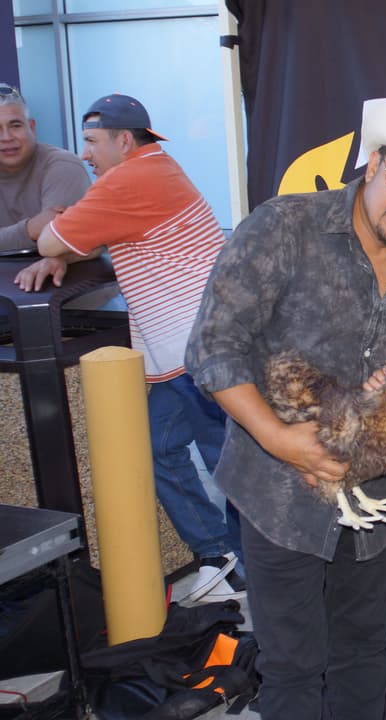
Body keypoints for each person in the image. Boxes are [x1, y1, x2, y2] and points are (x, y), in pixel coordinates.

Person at [185, 99, 386, 719]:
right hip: (277, 494)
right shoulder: (283, 227)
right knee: (292, 669)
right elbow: (212, 348)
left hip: (377, 501)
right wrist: (280, 440)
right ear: (374, 165)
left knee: (362, 655)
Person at [14, 93, 241, 602]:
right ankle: (221, 556)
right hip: (188, 353)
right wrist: (68, 248)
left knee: (230, 466)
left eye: (92, 142)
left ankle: (247, 570)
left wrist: (57, 243)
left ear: (122, 141)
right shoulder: (153, 168)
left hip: (200, 352)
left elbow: (50, 240)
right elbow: (90, 237)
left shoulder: (132, 177)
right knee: (158, 448)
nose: (85, 154)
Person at [0, 83, 90, 252]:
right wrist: (29, 229)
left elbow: (57, 239)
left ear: (32, 127)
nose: (6, 137)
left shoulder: (63, 166)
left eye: (15, 126)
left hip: (60, 268)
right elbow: (41, 230)